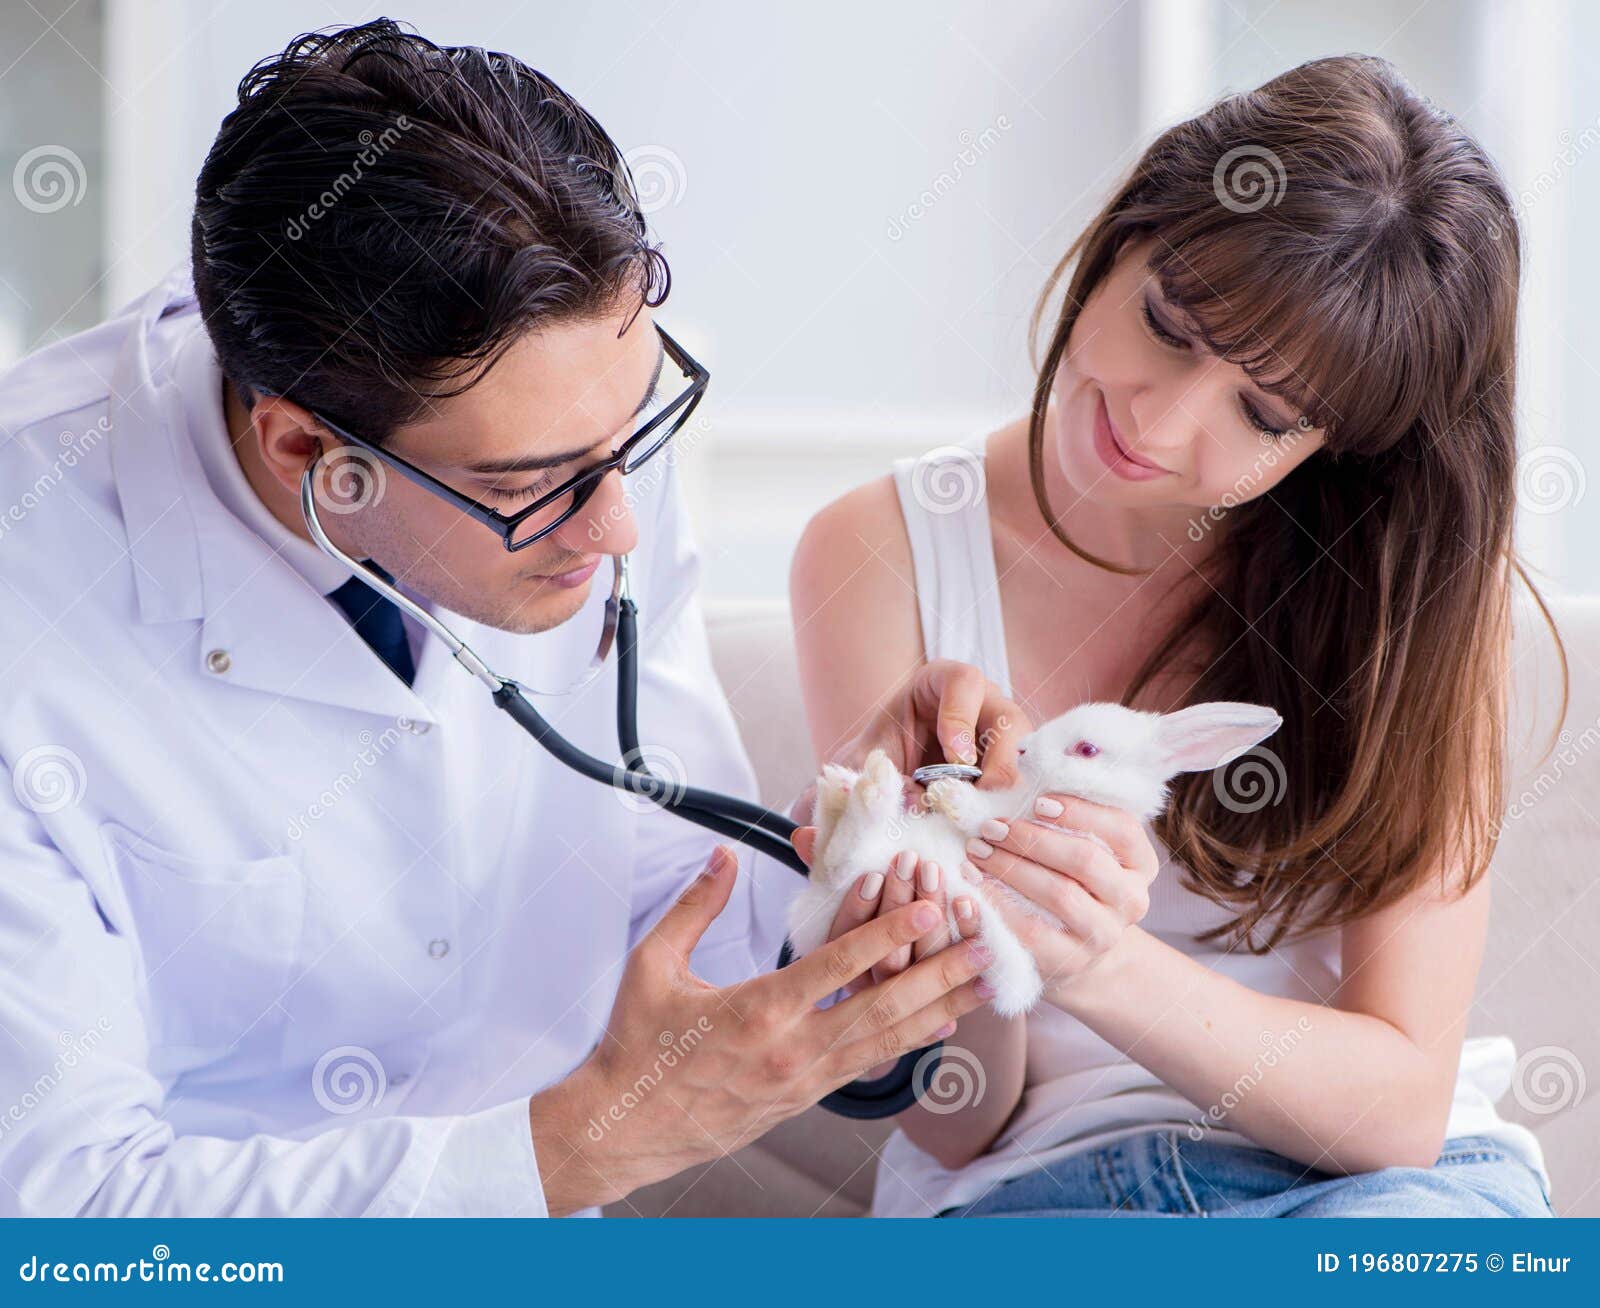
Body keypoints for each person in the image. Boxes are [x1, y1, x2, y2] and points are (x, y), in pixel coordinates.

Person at [0, 20, 997, 1218]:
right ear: (312, 453)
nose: (620, 524)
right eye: (530, 489)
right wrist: (574, 1148)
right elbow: (61, 1221)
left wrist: (840, 885)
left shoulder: (571, 439)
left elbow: (666, 879)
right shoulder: (33, 600)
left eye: (632, 436)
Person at [790, 54, 1564, 1218]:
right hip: (1033, 1194)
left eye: (1264, 413)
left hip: (1390, 1193)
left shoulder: (1407, 591)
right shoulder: (880, 552)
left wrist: (1100, 963)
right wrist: (899, 905)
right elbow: (954, 1125)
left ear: (1337, 446)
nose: (1156, 419)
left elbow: (1400, 1108)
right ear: (1126, 235)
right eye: (1168, 322)